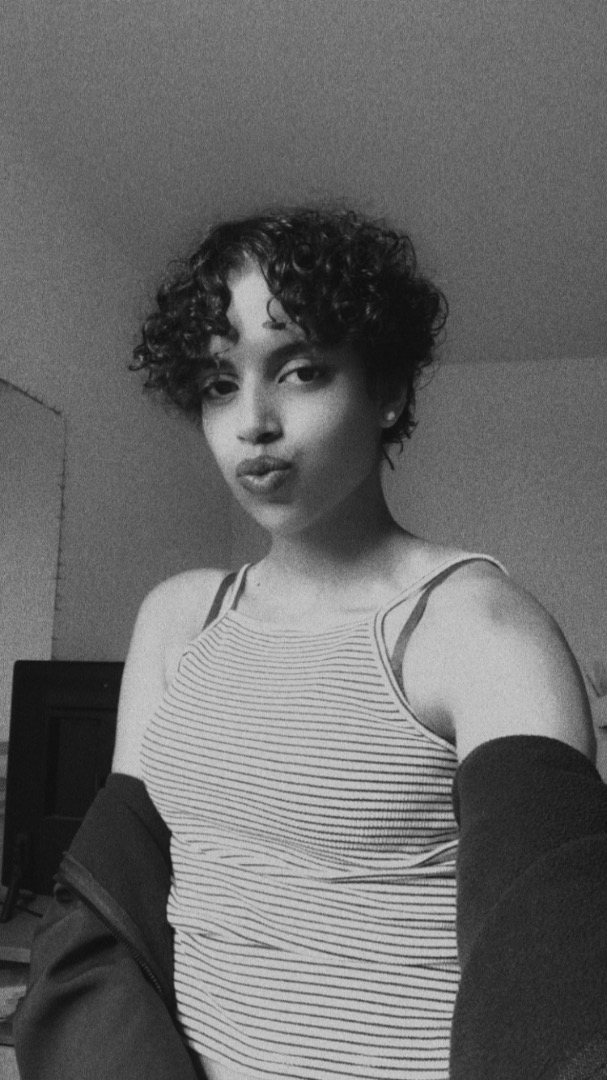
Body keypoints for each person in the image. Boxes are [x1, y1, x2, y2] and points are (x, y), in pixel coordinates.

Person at [15, 206, 607, 1080]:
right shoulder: (179, 619)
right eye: (220, 383)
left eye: (300, 371)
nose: (253, 421)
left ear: (387, 389)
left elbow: (552, 985)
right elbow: (106, 906)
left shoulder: (478, 628)